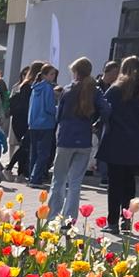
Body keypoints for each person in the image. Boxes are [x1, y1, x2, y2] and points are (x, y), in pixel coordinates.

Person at [98, 55, 139, 232]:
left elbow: (104, 112)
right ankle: (126, 219)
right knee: (130, 181)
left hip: (115, 141)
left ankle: (112, 223)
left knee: (115, 183)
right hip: (137, 143)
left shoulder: (115, 90)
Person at [47, 57, 109, 222]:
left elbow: (59, 116)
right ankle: (70, 219)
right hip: (84, 140)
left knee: (58, 180)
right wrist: (97, 123)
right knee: (75, 183)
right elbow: (107, 110)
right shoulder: (94, 91)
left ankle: (52, 217)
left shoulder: (67, 90)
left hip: (66, 139)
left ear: (75, 72)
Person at [8, 62, 42, 178]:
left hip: (22, 118)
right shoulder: (28, 86)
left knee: (26, 146)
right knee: (24, 145)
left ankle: (21, 172)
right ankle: (10, 168)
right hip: (23, 119)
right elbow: (27, 105)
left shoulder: (28, 85)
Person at [27, 66, 59, 185]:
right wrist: (58, 110)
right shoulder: (48, 88)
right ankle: (36, 177)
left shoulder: (35, 88)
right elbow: (49, 107)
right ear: (44, 75)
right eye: (51, 74)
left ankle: (31, 176)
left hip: (34, 124)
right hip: (46, 123)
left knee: (34, 153)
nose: (53, 77)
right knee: (44, 153)